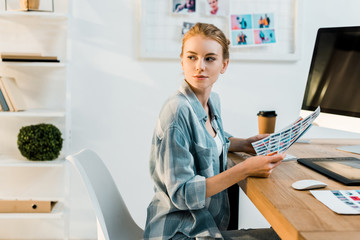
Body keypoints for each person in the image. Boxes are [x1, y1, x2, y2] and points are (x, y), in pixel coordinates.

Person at [144, 22, 285, 240]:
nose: (200, 66)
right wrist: (244, 169)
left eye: (209, 58)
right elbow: (181, 194)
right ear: (182, 61)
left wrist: (245, 143)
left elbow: (209, 139)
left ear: (224, 64)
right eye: (192, 57)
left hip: (206, 226)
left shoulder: (212, 102)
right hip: (180, 233)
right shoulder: (176, 112)